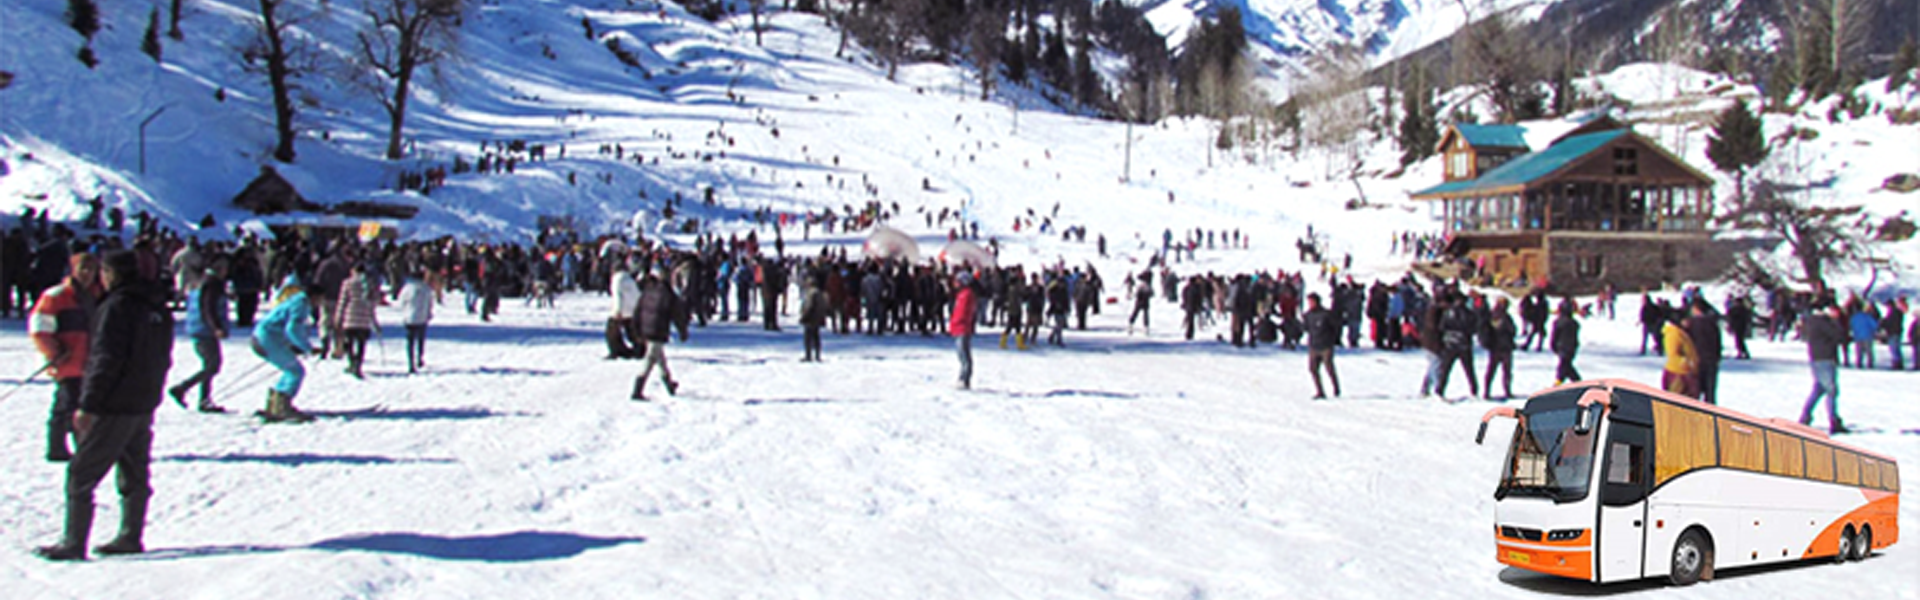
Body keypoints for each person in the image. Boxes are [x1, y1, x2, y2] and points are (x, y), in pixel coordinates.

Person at [34, 250, 173, 561]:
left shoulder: (116, 307)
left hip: (115, 402)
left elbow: (104, 360)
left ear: (111, 274)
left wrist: (89, 405)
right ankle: (130, 534)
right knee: (135, 470)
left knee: (81, 473)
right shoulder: (157, 305)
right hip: (144, 399)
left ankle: (74, 541)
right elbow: (164, 355)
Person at [28, 253, 100, 462]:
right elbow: (40, 330)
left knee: (81, 405)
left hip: (90, 361)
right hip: (67, 361)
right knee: (67, 407)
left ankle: (77, 446)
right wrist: (54, 353)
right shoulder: (56, 296)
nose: (87, 274)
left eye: (91, 269)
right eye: (83, 269)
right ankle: (59, 448)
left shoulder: (97, 294)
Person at [252, 275, 316, 423]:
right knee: (295, 371)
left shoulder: (295, 299)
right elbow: (293, 328)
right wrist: (307, 348)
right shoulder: (301, 304)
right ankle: (282, 406)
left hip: (262, 336)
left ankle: (274, 404)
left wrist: (293, 345)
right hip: (267, 338)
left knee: (290, 370)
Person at [168, 264, 230, 413]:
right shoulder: (212, 285)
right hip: (205, 330)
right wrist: (216, 327)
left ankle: (204, 400)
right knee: (212, 366)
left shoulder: (200, 282)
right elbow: (208, 308)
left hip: (197, 328)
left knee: (209, 365)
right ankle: (182, 389)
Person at [631, 266, 682, 401]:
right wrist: (682, 330)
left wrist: (636, 328)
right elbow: (677, 314)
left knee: (659, 357)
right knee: (650, 358)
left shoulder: (648, 289)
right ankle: (637, 388)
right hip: (657, 329)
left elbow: (638, 309)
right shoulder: (668, 293)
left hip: (646, 328)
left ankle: (669, 383)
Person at [1800, 302, 1848, 433]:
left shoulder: (1811, 321)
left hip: (1816, 358)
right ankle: (1834, 421)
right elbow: (1839, 336)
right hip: (1826, 358)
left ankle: (1805, 416)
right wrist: (1836, 321)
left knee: (1819, 389)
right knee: (1831, 390)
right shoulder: (1823, 322)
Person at [334, 263, 381, 379]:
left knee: (349, 343)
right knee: (361, 344)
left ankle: (352, 362)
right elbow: (373, 302)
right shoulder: (369, 284)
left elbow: (343, 301)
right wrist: (374, 322)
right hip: (364, 318)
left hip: (350, 316)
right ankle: (358, 364)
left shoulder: (348, 283)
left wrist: (338, 316)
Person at [1303, 293, 1341, 399]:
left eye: (1312, 302)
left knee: (1329, 368)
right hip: (1314, 345)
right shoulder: (1308, 315)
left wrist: (1332, 340)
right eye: (1309, 302)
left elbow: (1335, 327)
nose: (1310, 304)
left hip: (1326, 345)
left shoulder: (1326, 314)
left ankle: (1336, 387)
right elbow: (1306, 328)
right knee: (1313, 369)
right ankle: (1320, 391)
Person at [397, 270, 433, 374]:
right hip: (422, 318)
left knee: (410, 341)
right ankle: (420, 357)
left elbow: (401, 301)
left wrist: (404, 311)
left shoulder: (407, 289)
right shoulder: (426, 289)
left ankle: (410, 363)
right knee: (421, 340)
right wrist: (428, 313)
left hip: (410, 317)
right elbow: (430, 303)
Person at [1481, 297, 1517, 399]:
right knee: (1497, 371)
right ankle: (1489, 391)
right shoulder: (1495, 317)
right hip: (1499, 347)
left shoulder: (1501, 316)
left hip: (1502, 347)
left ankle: (1499, 390)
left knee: (1500, 371)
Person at [949, 270, 980, 390]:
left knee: (964, 356)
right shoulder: (962, 294)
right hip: (958, 328)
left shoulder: (967, 294)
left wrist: (958, 323)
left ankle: (964, 379)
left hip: (962, 328)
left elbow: (963, 313)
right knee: (961, 355)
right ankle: (963, 378)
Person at [1661, 314, 1699, 398]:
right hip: (1678, 372)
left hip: (1684, 372)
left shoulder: (1681, 332)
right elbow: (1673, 354)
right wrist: (1687, 363)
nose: (1688, 322)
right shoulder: (1674, 334)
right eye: (1685, 320)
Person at [607, 265, 641, 359]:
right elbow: (637, 294)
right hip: (632, 309)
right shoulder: (629, 279)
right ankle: (639, 349)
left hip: (622, 310)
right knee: (632, 331)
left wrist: (617, 310)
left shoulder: (617, 279)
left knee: (612, 332)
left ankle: (616, 350)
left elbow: (618, 295)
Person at [1551, 301, 1582, 385]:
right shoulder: (1574, 323)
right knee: (1566, 365)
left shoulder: (1558, 322)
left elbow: (1554, 335)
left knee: (1564, 365)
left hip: (1562, 347)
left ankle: (1559, 381)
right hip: (1571, 347)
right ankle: (1576, 381)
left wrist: (1553, 345)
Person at [799, 271, 828, 362]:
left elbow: (809, 305)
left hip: (810, 318)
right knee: (816, 337)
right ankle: (817, 355)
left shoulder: (811, 293)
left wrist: (804, 316)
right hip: (817, 318)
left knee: (808, 337)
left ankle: (808, 355)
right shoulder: (820, 293)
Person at [1847, 301, 1877, 369]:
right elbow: (1874, 325)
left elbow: (1851, 326)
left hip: (1858, 336)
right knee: (1869, 351)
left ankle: (1859, 363)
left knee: (1859, 351)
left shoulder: (1854, 318)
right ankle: (1870, 363)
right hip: (1867, 335)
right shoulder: (1868, 317)